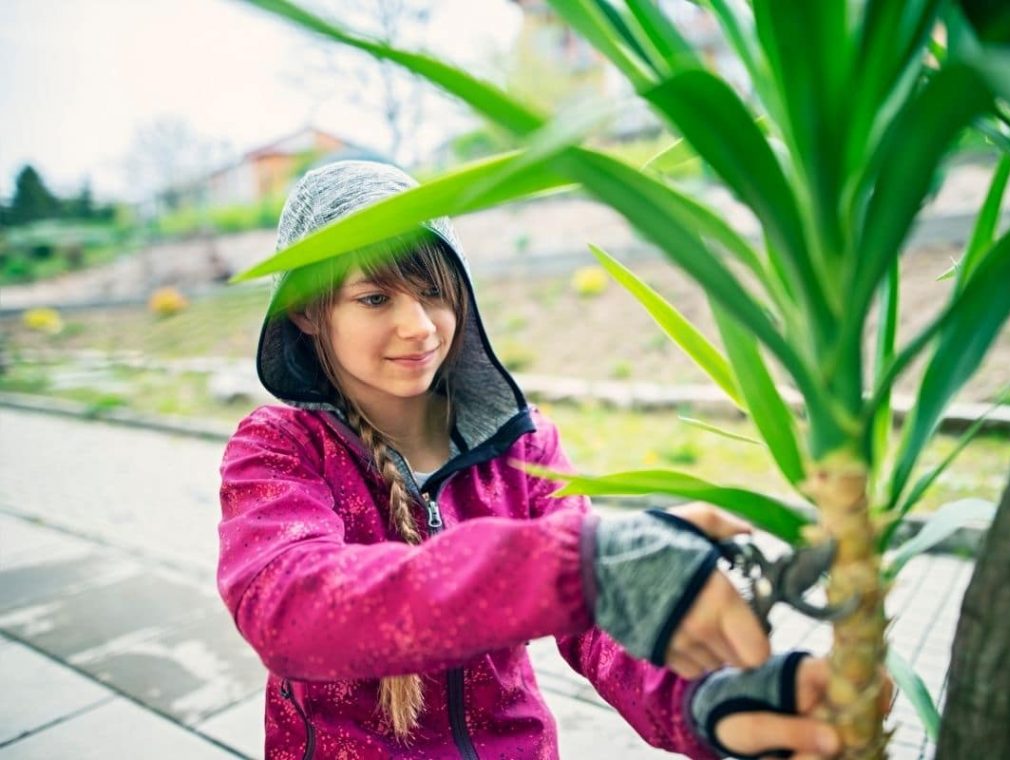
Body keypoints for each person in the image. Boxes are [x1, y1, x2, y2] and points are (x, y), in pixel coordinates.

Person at [217, 160, 843, 759]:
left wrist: (712, 702)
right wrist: (583, 564)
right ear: (306, 309)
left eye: (435, 291)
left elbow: (600, 632)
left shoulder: (523, 446)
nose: (421, 327)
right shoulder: (280, 448)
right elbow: (289, 607)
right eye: (376, 298)